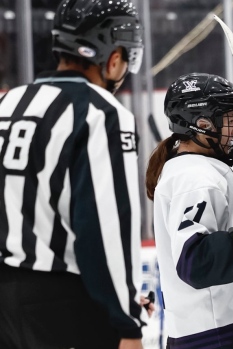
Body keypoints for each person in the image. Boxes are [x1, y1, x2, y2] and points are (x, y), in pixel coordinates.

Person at [0, 0, 149, 348]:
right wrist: (126, 318)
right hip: (61, 304)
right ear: (113, 59)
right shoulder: (102, 113)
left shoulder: (8, 104)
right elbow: (104, 225)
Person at [146, 73, 233, 349]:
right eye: (230, 120)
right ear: (202, 125)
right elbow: (195, 261)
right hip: (216, 336)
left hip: (226, 330)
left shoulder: (206, 169)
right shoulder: (193, 177)